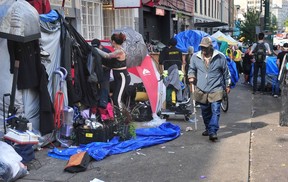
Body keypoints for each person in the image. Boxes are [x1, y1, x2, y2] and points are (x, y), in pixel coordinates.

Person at [188, 37, 231, 141]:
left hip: (216, 88)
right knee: (205, 112)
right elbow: (191, 68)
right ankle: (208, 128)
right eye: (202, 47)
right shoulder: (195, 57)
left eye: (205, 48)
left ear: (211, 47)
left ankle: (213, 131)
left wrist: (228, 85)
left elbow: (226, 73)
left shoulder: (220, 57)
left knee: (215, 110)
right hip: (201, 88)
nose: (203, 50)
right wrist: (191, 75)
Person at [95, 33, 131, 111]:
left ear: (114, 41)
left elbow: (107, 56)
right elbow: (113, 64)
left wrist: (96, 49)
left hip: (122, 76)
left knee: (117, 99)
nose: (110, 43)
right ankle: (120, 116)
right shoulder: (117, 51)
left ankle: (122, 118)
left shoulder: (119, 51)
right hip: (118, 77)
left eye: (111, 41)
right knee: (115, 97)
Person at [159, 37, 183, 109]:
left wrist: (162, 72)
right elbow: (181, 62)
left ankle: (168, 101)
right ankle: (179, 100)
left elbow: (161, 62)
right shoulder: (179, 51)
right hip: (178, 73)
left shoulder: (165, 51)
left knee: (167, 86)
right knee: (180, 85)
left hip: (167, 73)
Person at [91, 38, 112, 108]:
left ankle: (105, 106)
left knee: (105, 90)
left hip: (104, 74)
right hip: (95, 75)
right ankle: (96, 106)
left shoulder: (106, 52)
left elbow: (111, 64)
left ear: (100, 46)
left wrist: (104, 66)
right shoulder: (91, 51)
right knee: (95, 90)